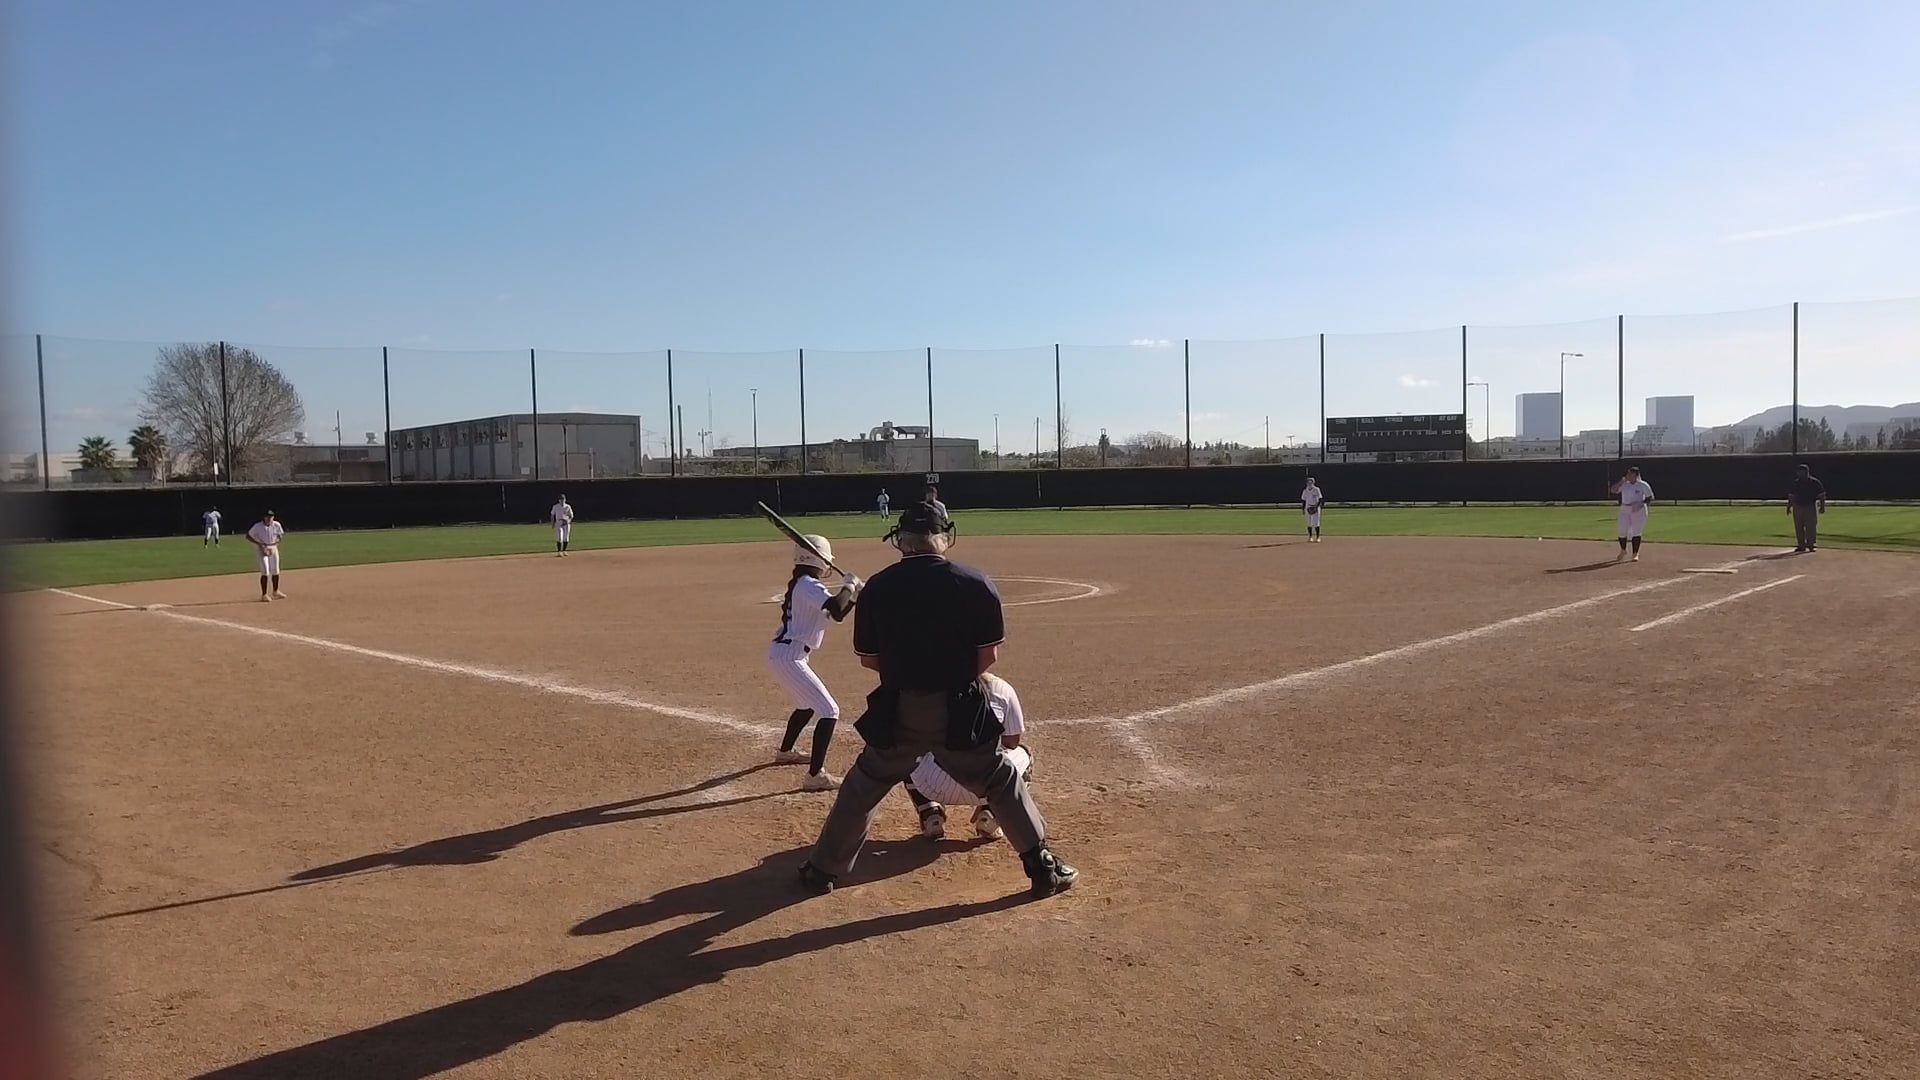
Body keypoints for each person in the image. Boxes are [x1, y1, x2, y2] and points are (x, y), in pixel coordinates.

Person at [798, 501, 1076, 899]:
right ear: (944, 536)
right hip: (959, 708)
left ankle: (821, 871)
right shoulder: (974, 582)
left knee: (865, 782)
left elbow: (869, 659)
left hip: (898, 708)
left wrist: (908, 675)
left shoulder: (878, 587)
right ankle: (1042, 868)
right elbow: (987, 657)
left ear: (900, 540)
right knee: (998, 778)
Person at [769, 535, 863, 791]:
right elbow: (836, 607)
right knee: (829, 710)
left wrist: (853, 594)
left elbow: (836, 613)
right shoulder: (808, 585)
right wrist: (848, 585)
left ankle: (785, 752)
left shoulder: (804, 585)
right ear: (819, 560)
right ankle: (815, 776)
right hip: (790, 657)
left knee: (807, 705)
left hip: (787, 655)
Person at [907, 672, 1031, 842]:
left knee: (907, 750)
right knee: (1024, 754)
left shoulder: (924, 689)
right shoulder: (1001, 688)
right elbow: (1011, 742)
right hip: (988, 784)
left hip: (934, 784)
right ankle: (991, 814)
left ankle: (930, 814)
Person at [1610, 466, 1654, 561]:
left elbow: (1650, 497)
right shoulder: (1624, 484)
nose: (1628, 475)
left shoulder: (1643, 485)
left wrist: (1641, 503)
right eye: (1628, 473)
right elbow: (1613, 490)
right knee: (1621, 530)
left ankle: (1635, 553)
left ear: (1635, 475)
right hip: (1625, 508)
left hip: (1638, 510)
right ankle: (1623, 550)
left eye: (1630, 473)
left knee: (1636, 531)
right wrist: (1621, 482)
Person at [1788, 463, 1827, 553]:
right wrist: (1789, 506)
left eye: (1803, 472)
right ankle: (1801, 545)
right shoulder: (1795, 483)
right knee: (1798, 526)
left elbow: (1822, 495)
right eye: (1799, 472)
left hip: (1810, 505)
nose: (1801, 474)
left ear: (1807, 472)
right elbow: (1791, 496)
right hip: (1798, 506)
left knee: (1811, 526)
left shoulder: (1814, 482)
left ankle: (1811, 544)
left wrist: (1822, 506)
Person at [247, 510, 286, 601]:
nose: (269, 518)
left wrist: (276, 543)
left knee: (275, 570)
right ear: (264, 517)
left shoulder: (277, 525)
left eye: (271, 516)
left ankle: (275, 591)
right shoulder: (258, 526)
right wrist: (260, 544)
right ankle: (264, 594)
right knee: (265, 571)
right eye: (267, 516)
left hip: (273, 547)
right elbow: (248, 536)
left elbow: (280, 535)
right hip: (261, 548)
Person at [1300, 476, 1325, 542]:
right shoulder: (1305, 491)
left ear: (1313, 483)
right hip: (1308, 507)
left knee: (1316, 522)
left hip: (1315, 507)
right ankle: (1310, 537)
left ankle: (1318, 537)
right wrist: (1303, 509)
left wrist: (1317, 507)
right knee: (1309, 522)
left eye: (1311, 482)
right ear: (1307, 483)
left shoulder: (1316, 489)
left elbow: (1320, 499)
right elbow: (1303, 500)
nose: (1309, 483)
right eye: (1308, 482)